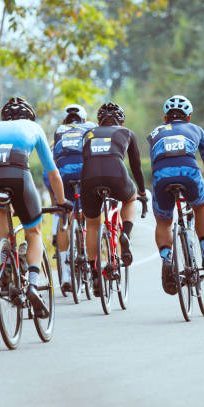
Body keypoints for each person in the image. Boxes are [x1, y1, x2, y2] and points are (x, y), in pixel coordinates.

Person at [0, 97, 72, 318]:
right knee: (34, 231)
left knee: (2, 210)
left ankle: (4, 261)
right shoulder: (33, 127)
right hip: (17, 174)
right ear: (28, 116)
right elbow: (53, 173)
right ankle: (32, 284)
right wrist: (61, 201)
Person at [147, 95, 204, 296]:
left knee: (164, 221)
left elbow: (155, 162)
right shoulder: (196, 130)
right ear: (189, 117)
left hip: (162, 176)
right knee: (200, 207)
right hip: (189, 173)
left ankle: (167, 258)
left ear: (165, 118)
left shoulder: (155, 133)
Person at [80, 102, 148, 295]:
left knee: (92, 225)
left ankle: (94, 274)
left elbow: (85, 160)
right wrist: (142, 193)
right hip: (116, 175)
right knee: (130, 198)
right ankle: (124, 234)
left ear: (99, 121)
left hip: (89, 177)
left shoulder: (88, 134)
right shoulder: (126, 132)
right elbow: (136, 166)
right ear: (122, 120)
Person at [51, 104, 97, 292]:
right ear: (84, 120)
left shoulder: (59, 130)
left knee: (65, 216)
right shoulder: (91, 127)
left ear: (64, 121)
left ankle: (66, 273)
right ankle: (89, 252)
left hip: (63, 174)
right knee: (91, 216)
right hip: (86, 172)